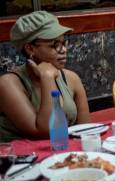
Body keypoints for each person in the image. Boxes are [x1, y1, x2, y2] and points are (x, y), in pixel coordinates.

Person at [0, 11, 90, 142]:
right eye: (55, 45)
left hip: (64, 155)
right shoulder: (8, 84)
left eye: (63, 43)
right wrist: (47, 77)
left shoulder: (71, 78)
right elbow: (46, 132)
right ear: (30, 48)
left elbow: (86, 131)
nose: (63, 50)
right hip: (22, 159)